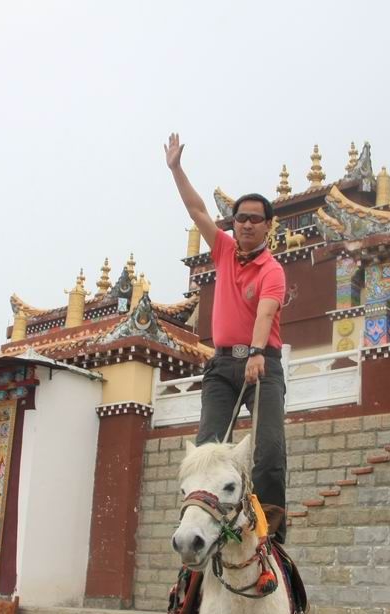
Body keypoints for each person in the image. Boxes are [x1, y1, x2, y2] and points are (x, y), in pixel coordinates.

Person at [164, 132, 288, 543]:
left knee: (268, 453)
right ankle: (198, 528)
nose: (247, 223)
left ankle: (271, 538)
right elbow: (196, 207)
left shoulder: (272, 270)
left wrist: (256, 353)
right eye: (240, 217)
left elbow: (266, 311)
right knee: (205, 452)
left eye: (255, 218)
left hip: (262, 364)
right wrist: (176, 169)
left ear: (268, 225)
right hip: (220, 367)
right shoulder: (222, 250)